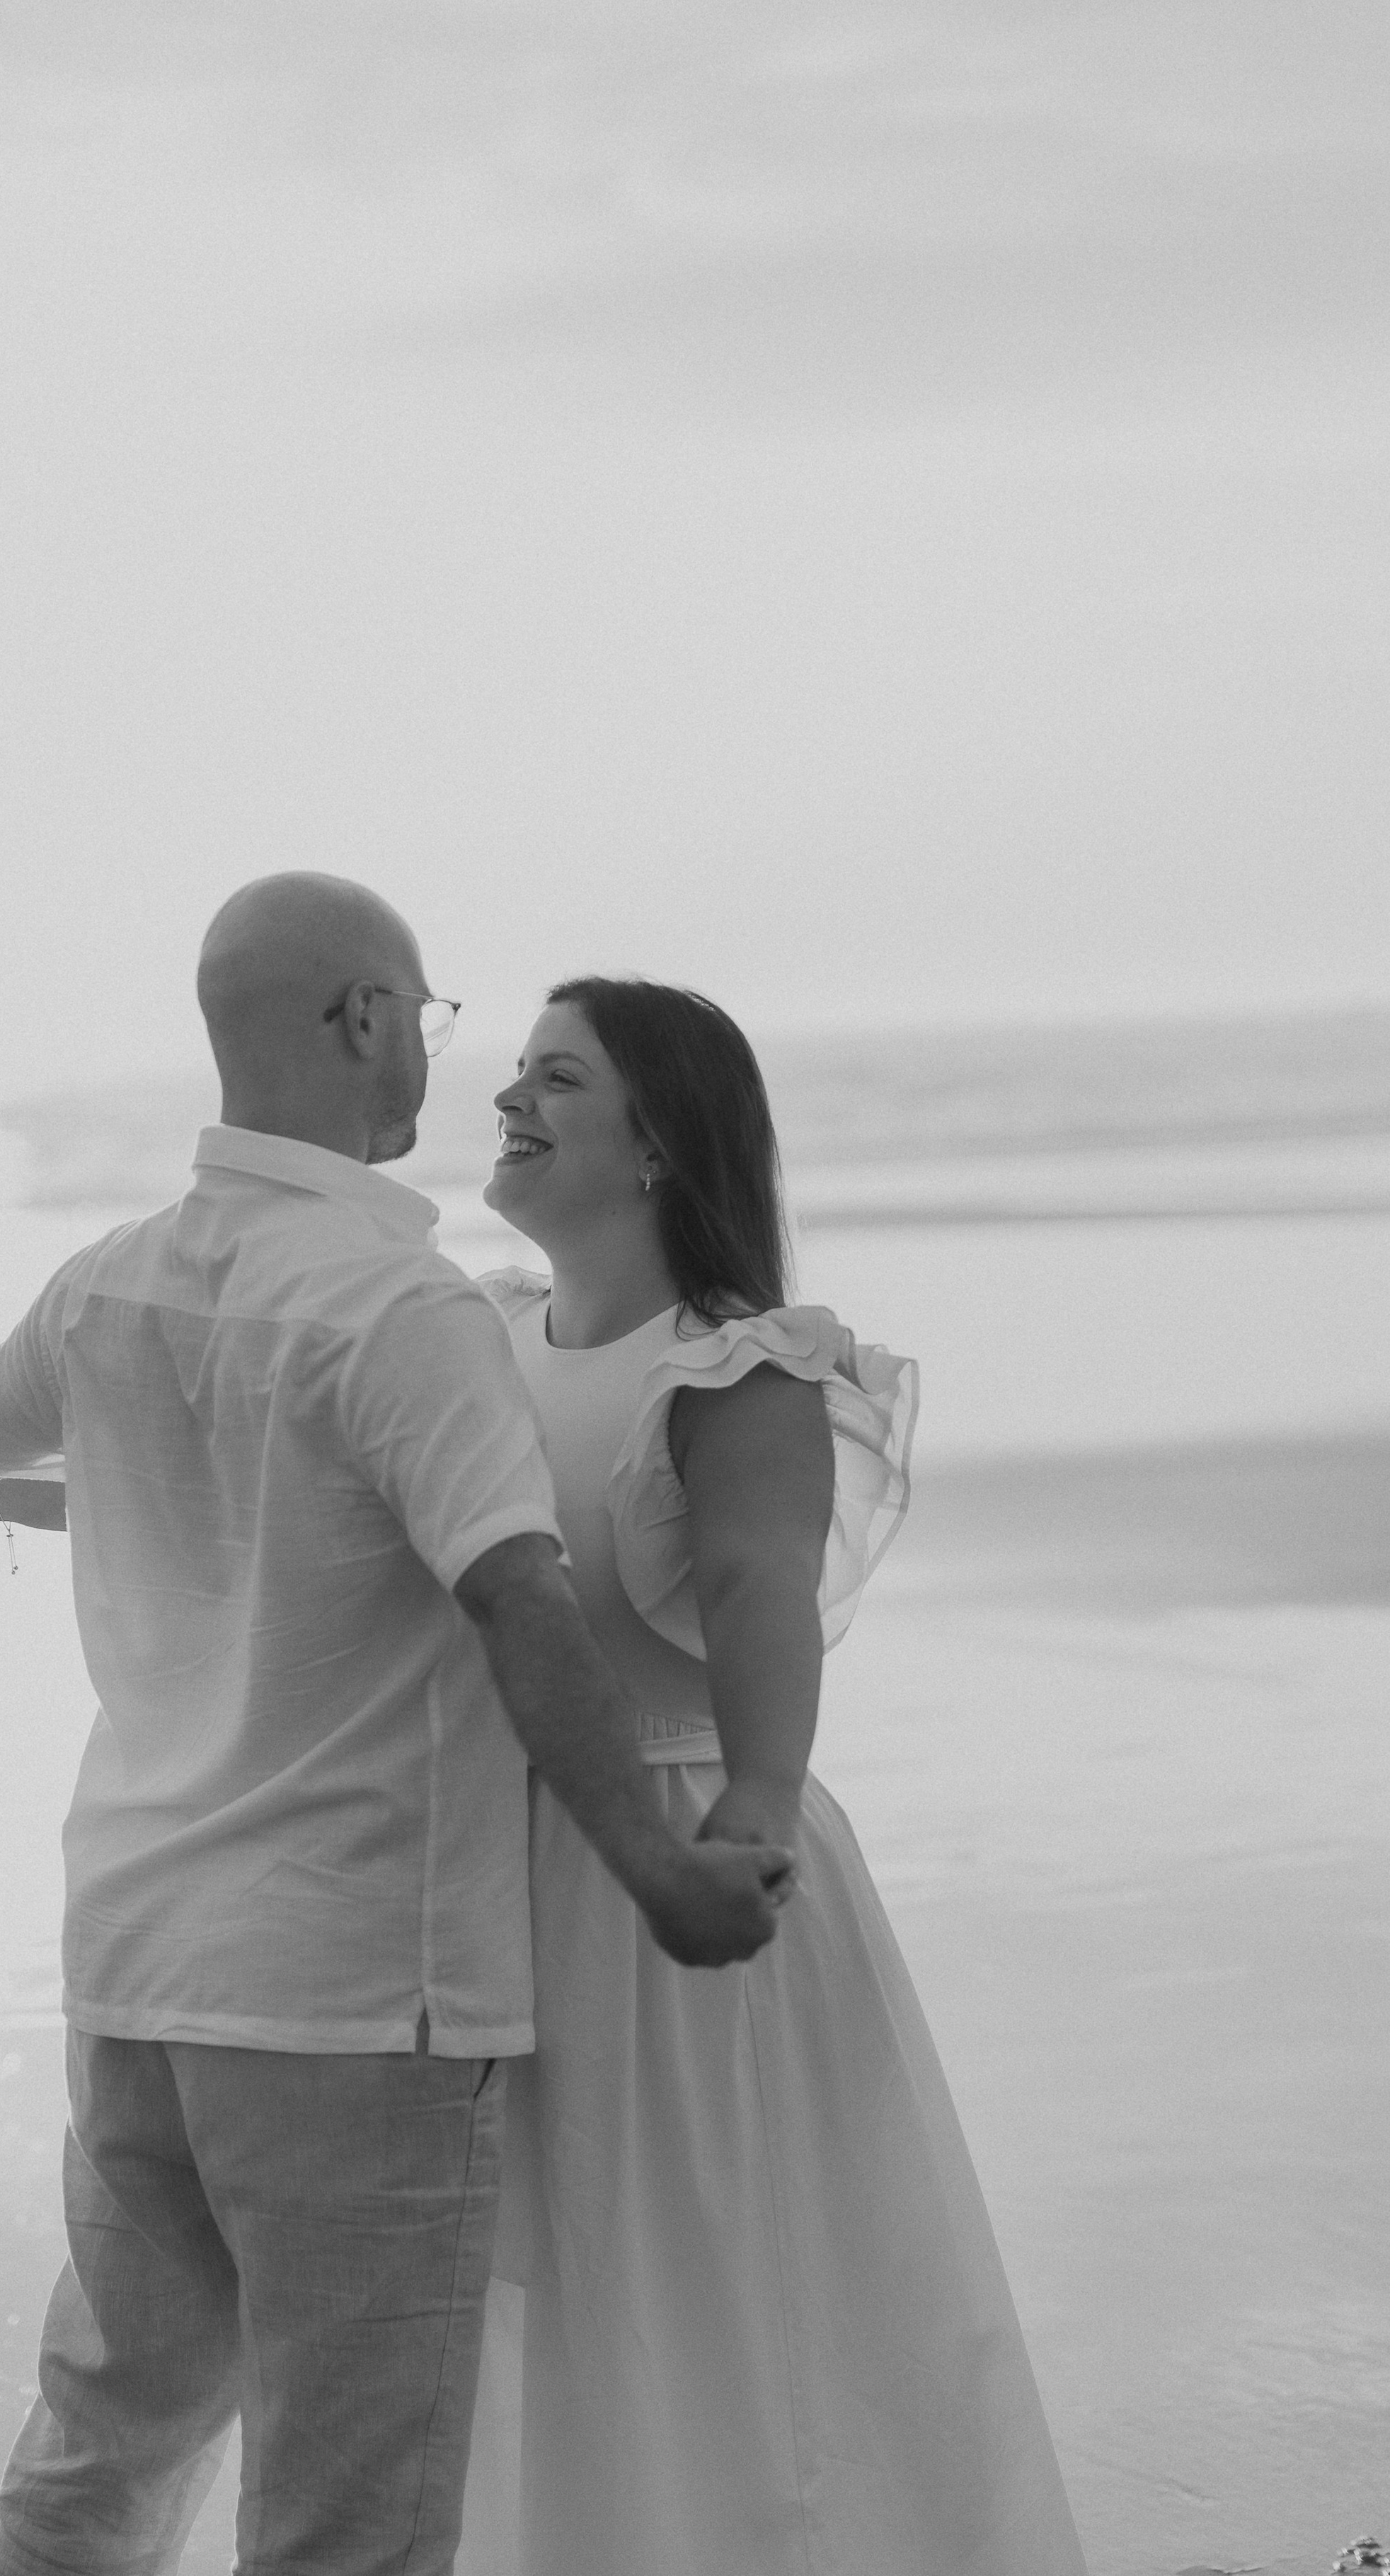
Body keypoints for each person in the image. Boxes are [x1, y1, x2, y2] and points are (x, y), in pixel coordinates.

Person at [0, 875, 788, 2576]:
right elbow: (514, 1595)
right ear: (364, 1020)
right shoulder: (405, 1313)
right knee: (348, 2514)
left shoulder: (106, 1289)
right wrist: (654, 1869)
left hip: (140, 1975)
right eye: (433, 1020)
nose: (443, 1065)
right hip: (348, 1998)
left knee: (104, 2448)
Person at [453, 976, 1089, 2576]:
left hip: (674, 1857)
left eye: (556, 1078)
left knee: (710, 2293)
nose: (507, 1101)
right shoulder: (471, 1341)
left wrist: (754, 1800)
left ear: (660, 1140)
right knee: (541, 2305)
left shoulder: (734, 1366)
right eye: (513, 1073)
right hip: (488, 1875)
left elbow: (753, 1586)